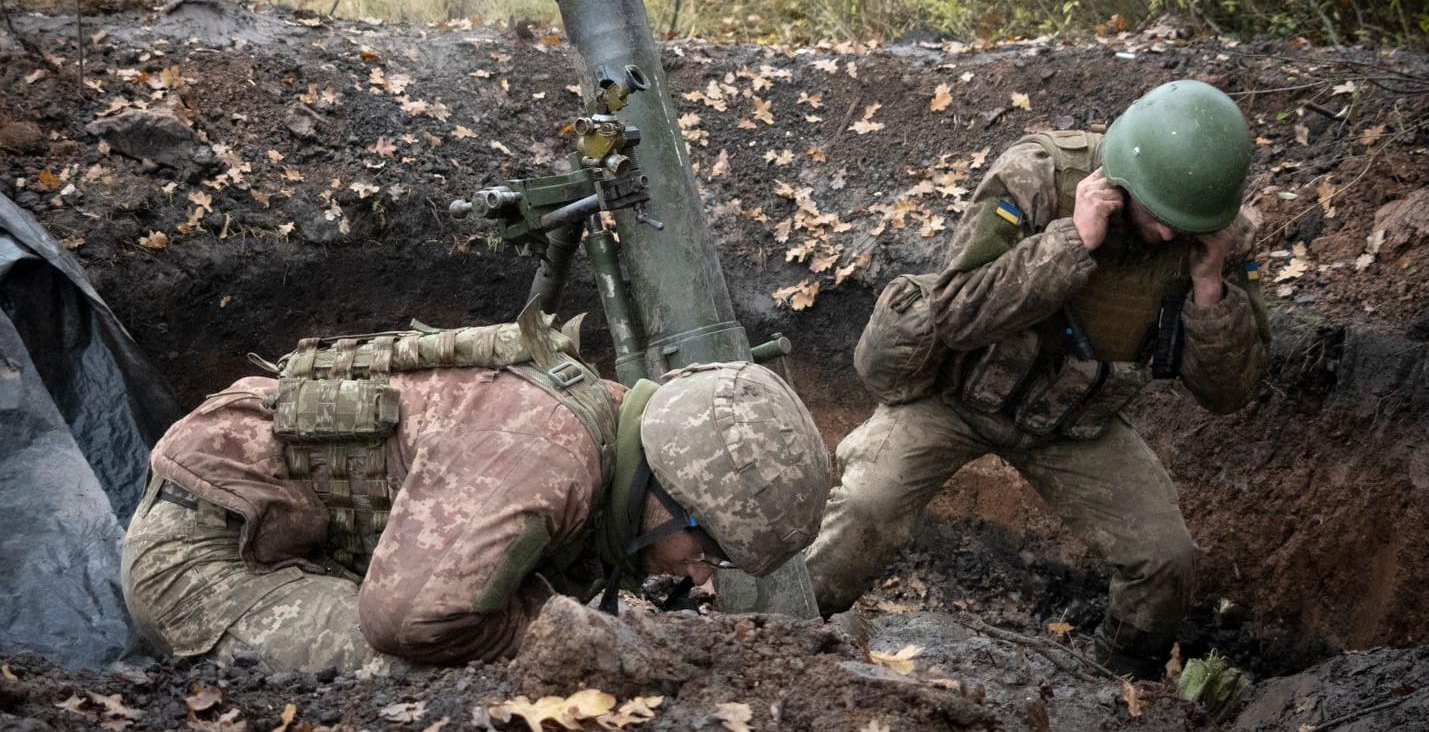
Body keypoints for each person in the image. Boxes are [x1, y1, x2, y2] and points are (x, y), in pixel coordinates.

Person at [807, 79, 1271, 676]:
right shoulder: (1037, 176)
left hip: (1075, 422)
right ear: (1125, 179)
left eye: (1187, 225)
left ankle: (1121, 684)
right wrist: (1070, 243)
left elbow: (1232, 393)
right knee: (866, 509)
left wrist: (1210, 293)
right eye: (1161, 217)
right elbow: (956, 311)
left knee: (1166, 559)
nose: (1169, 237)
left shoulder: (1215, 231)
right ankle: (787, 631)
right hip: (955, 395)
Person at [121, 302, 830, 674]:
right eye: (706, 546)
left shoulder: (605, 428)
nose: (702, 579)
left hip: (313, 544)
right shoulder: (548, 452)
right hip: (209, 552)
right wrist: (556, 635)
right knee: (440, 676)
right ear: (664, 482)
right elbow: (409, 624)